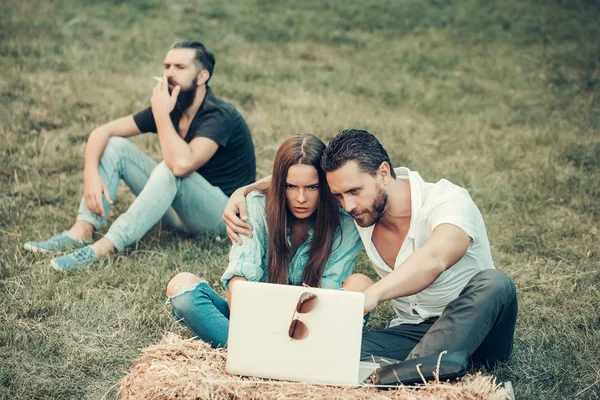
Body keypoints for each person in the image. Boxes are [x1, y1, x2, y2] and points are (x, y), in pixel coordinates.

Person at [223, 129, 518, 367]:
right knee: (327, 349)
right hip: (413, 332)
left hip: (478, 330)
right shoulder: (361, 213)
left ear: (383, 173)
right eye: (338, 195)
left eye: (354, 191)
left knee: (496, 283)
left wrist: (372, 295)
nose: (348, 205)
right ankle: (424, 369)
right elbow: (298, 177)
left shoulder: (447, 201)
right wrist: (243, 192)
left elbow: (435, 258)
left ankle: (416, 371)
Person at [24, 41, 256, 271]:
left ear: (202, 76)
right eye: (166, 67)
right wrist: (91, 175)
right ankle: (81, 231)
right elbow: (102, 132)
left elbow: (182, 165)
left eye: (179, 67)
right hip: (177, 212)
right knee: (115, 145)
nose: (169, 74)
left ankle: (104, 247)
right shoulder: (171, 107)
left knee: (170, 169)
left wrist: (161, 114)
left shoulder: (219, 115)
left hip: (220, 218)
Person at [165, 134, 369, 348]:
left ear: (325, 186)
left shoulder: (344, 221)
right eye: (291, 186)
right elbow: (240, 280)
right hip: (256, 320)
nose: (301, 198)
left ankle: (248, 352)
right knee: (182, 288)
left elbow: (330, 293)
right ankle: (254, 351)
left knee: (361, 284)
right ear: (280, 184)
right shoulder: (256, 205)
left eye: (312, 187)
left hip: (313, 328)